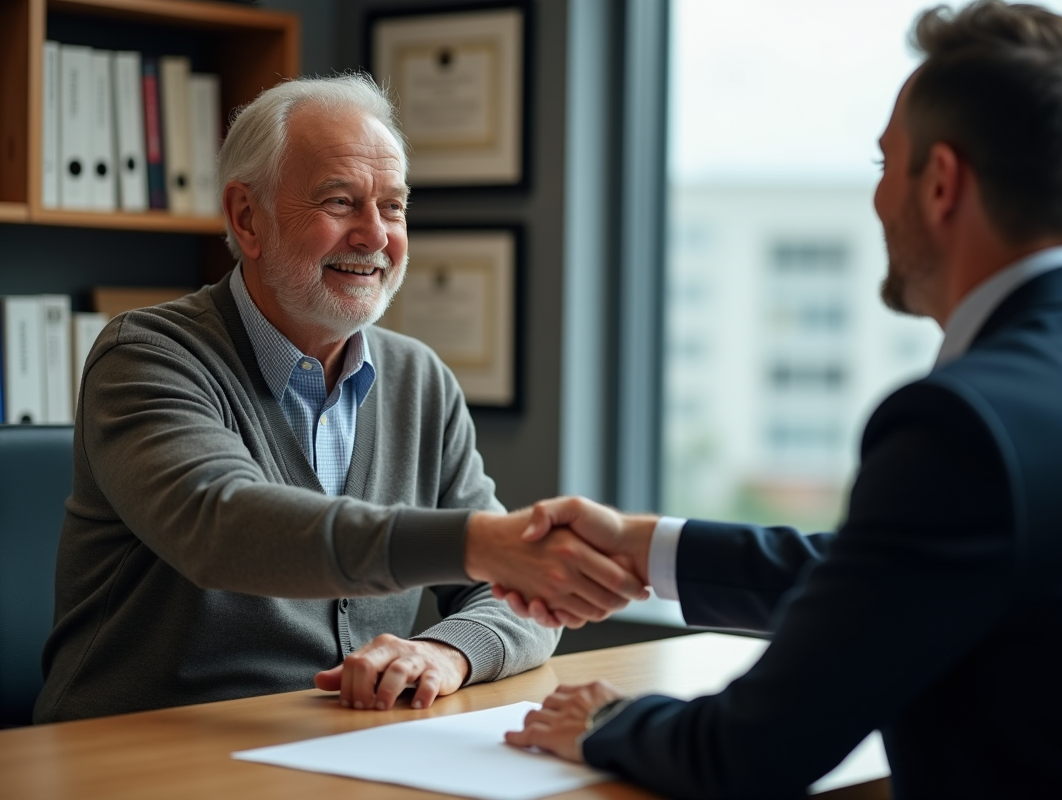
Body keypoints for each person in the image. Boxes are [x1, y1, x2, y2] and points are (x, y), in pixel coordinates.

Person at [501, 2, 1062, 797]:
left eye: (882, 167)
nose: (876, 202)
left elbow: (751, 751)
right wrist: (647, 546)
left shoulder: (964, 423)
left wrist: (604, 722)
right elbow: (891, 579)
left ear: (939, 182)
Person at [35, 75, 646, 724]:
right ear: (248, 218)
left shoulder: (419, 378)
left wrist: (446, 652)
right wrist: (480, 541)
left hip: (340, 750)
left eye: (393, 206)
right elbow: (225, 528)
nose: (375, 236)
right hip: (137, 756)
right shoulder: (146, 354)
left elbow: (510, 599)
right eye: (340, 202)